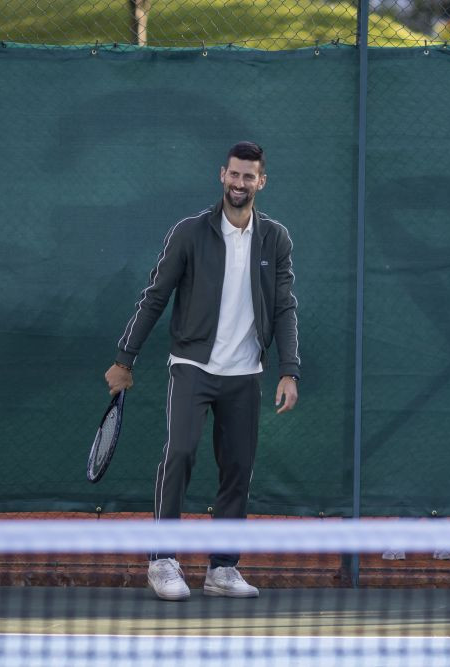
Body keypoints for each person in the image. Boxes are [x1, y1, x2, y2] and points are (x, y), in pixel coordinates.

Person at [104, 142, 300, 601]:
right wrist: (124, 359)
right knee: (180, 453)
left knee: (238, 467)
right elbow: (155, 297)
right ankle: (162, 560)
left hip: (245, 374)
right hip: (192, 366)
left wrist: (289, 370)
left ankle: (222, 568)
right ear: (222, 175)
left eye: (248, 176)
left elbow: (284, 307)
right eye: (234, 174)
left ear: (261, 182)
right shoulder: (189, 233)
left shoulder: (276, 239)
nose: (239, 183)